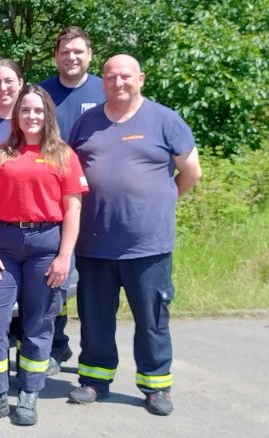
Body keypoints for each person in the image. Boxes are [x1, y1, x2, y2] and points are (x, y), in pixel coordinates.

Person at [67, 54, 201, 416]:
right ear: (103, 81)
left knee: (152, 318)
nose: (117, 82)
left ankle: (156, 386)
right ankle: (95, 380)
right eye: (110, 77)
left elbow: (190, 172)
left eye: (125, 76)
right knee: (95, 318)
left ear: (140, 78)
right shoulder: (86, 123)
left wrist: (160, 201)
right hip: (95, 244)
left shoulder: (164, 119)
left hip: (148, 246)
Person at [0, 85, 88, 427]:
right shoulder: (1, 154)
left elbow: (73, 209)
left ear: (47, 115)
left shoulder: (63, 155)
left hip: (46, 245)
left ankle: (28, 393)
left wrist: (65, 256)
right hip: (3, 245)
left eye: (38, 110)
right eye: (25, 111)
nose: (31, 116)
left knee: (38, 322)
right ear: (17, 116)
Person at [38, 26, 107, 376]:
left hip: (96, 207)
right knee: (54, 277)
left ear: (90, 55)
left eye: (78, 51)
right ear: (56, 56)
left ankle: (94, 358)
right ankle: (55, 345)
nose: (72, 57)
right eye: (65, 52)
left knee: (92, 286)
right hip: (51, 205)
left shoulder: (104, 90)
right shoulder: (42, 93)